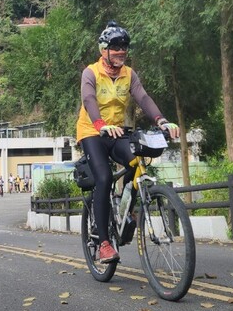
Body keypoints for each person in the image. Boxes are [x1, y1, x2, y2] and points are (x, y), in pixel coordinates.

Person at [76, 21, 180, 264]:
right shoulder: (90, 73)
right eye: (116, 46)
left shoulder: (129, 74)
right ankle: (103, 243)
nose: (121, 50)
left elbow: (142, 96)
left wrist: (162, 120)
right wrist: (100, 124)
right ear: (104, 50)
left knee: (136, 159)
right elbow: (89, 99)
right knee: (102, 177)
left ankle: (125, 208)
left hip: (117, 131)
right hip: (92, 131)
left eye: (124, 46)